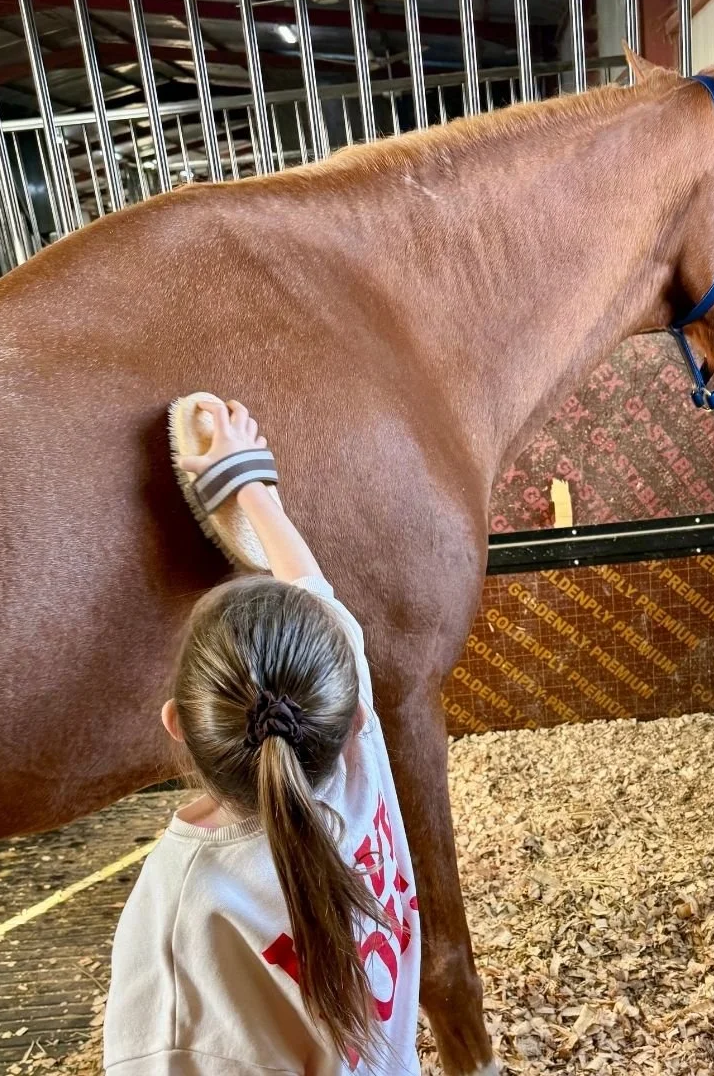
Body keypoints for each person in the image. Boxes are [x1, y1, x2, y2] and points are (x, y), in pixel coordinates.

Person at [103, 396, 421, 1075]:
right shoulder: (360, 767)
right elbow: (315, 591)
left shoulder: (182, 912)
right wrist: (252, 492)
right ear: (354, 712)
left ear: (174, 729)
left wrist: (241, 482)